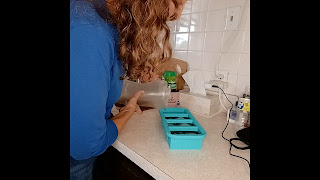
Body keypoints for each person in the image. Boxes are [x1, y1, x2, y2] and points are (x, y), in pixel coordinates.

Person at [70, 0, 187, 179]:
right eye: (178, 2)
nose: (179, 14)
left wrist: (137, 71)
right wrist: (128, 111)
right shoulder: (91, 30)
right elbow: (86, 144)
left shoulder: (94, 16)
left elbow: (92, 74)